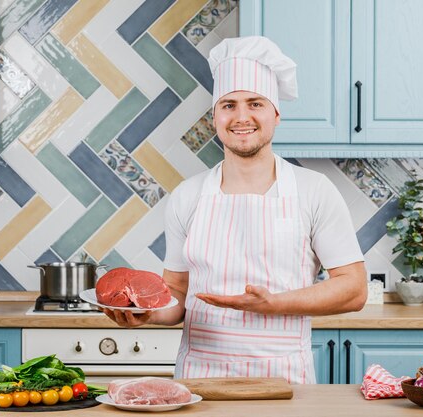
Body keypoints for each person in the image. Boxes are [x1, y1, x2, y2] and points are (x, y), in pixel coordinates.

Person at [103, 36, 367, 384]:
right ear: (215, 117)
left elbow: (354, 289)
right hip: (199, 381)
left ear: (275, 114)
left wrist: (274, 303)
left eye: (255, 103)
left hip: (283, 381)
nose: (241, 117)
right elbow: (177, 294)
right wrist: (145, 313)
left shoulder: (313, 190)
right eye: (229, 105)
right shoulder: (188, 196)